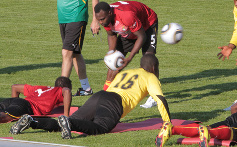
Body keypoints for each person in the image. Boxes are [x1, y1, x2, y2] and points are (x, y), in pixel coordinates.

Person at [10, 54, 171, 140]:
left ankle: (33, 121)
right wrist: (167, 123)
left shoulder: (129, 71)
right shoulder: (151, 77)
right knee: (101, 128)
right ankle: (69, 122)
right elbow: (160, 100)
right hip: (114, 102)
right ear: (154, 67)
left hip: (100, 96)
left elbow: (108, 84)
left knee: (64, 123)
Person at [94, 1, 158, 108]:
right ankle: (106, 96)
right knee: (114, 67)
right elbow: (111, 35)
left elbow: (141, 36)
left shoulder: (126, 15)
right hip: (128, 29)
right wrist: (111, 52)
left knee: (148, 60)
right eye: (98, 20)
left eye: (102, 19)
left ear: (110, 13)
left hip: (147, 24)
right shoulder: (105, 19)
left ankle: (154, 96)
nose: (100, 22)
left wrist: (129, 58)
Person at [54, 0, 100, 96]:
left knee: (66, 52)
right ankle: (86, 88)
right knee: (75, 53)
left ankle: (60, 91)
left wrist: (95, 20)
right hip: (63, 18)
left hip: (77, 17)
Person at [0, 76, 72, 124]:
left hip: (13, 101)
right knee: (4, 117)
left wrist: (13, 105)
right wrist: (66, 116)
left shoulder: (43, 88)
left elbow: (15, 87)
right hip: (26, 106)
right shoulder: (60, 91)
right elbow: (67, 91)